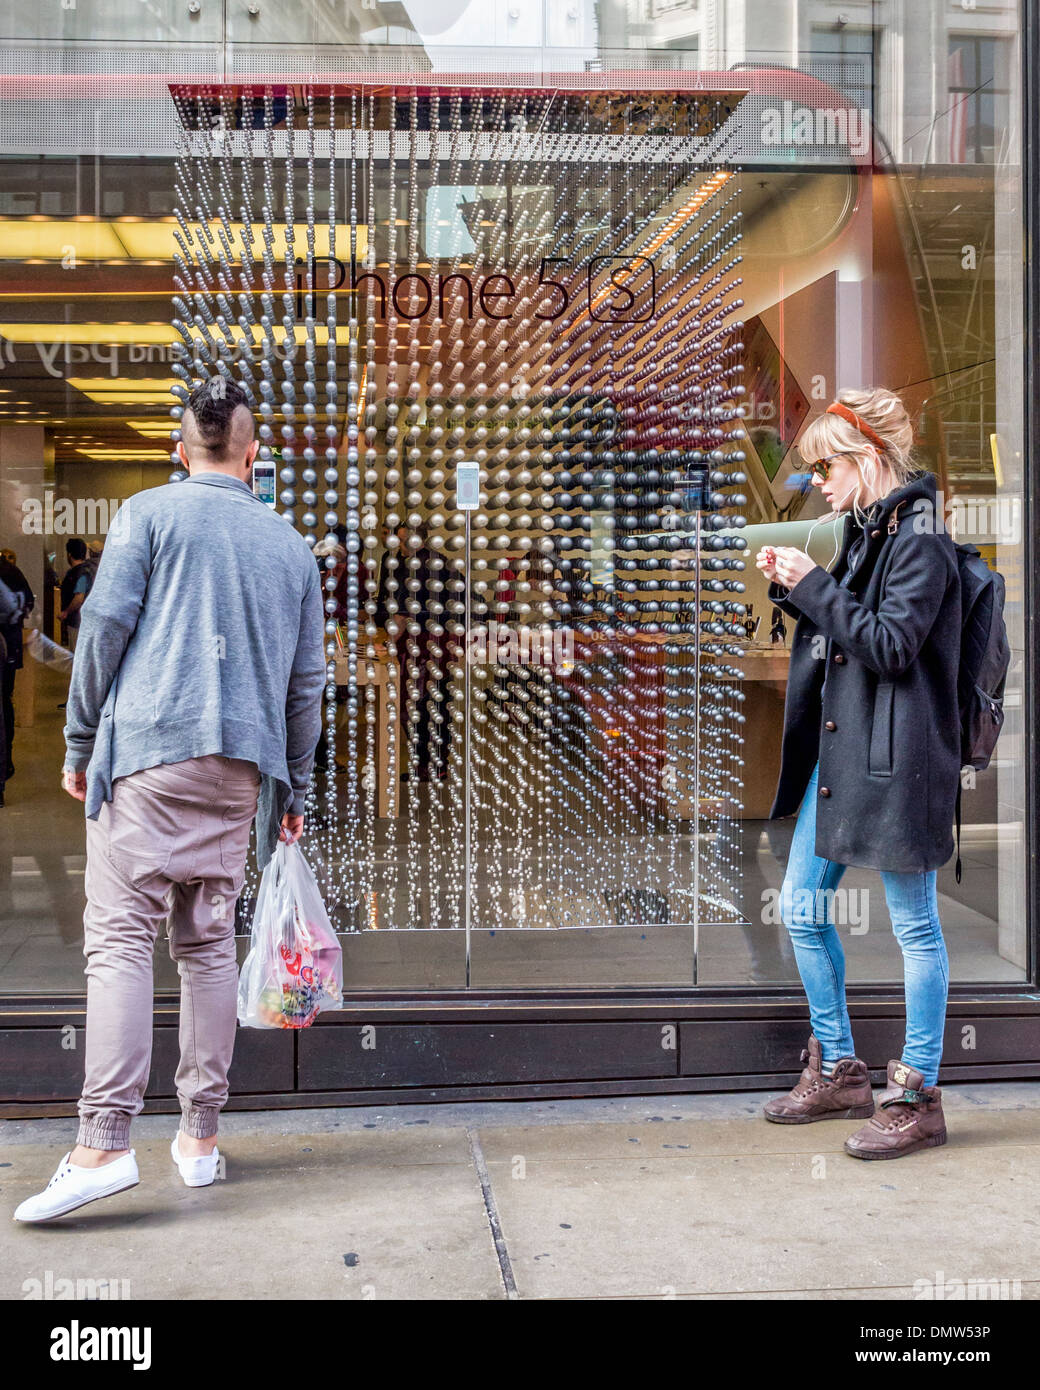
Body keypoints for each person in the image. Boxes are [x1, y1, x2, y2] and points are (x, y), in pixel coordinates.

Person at [14, 378, 325, 1223]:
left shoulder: (148, 515)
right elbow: (306, 688)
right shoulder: (291, 547)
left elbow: (103, 634)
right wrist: (290, 784)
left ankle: (105, 1141)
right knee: (207, 943)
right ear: (253, 455)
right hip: (241, 770)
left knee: (119, 941)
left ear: (177, 451)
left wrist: (80, 745)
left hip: (151, 753)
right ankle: (199, 1136)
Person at [756, 388, 960, 1160]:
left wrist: (814, 584)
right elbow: (851, 633)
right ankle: (842, 1071)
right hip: (846, 756)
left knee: (914, 927)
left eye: (828, 468)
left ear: (868, 458)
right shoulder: (876, 532)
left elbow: (891, 646)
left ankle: (916, 1096)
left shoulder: (922, 537)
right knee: (803, 909)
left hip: (900, 760)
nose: (821, 485)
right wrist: (799, 588)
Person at [0, 550, 33, 779]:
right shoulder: (13, 572)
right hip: (10, 646)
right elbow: (28, 603)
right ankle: (5, 764)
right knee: (5, 701)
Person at [59, 537, 94, 652]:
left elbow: (79, 598)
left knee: (77, 654)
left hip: (77, 621)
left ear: (69, 554)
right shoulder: (88, 570)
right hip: (87, 620)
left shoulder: (79, 573)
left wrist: (66, 612)